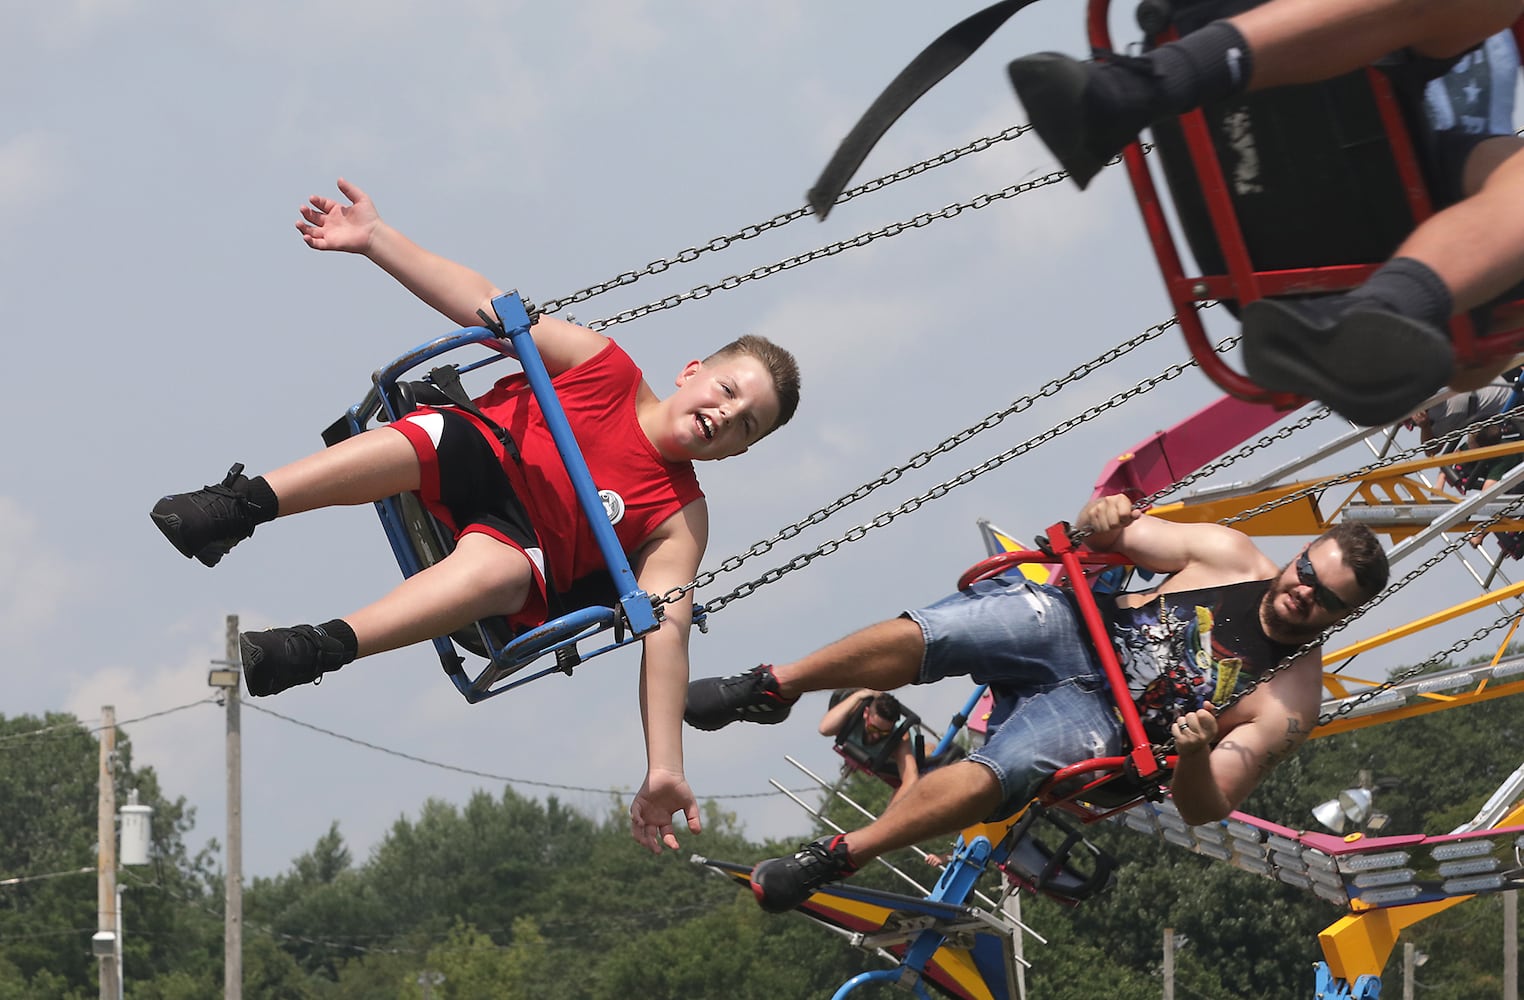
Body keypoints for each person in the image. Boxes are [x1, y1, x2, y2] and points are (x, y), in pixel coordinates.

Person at [150, 179, 801, 855]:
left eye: (744, 424)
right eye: (727, 391)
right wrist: (376, 240)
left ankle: (313, 647)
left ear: (740, 450)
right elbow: (485, 304)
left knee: (503, 570)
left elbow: (666, 628)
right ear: (694, 371)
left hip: (521, 548)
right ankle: (240, 505)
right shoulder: (604, 367)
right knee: (442, 437)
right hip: (479, 454)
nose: (724, 413)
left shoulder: (681, 513)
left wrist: (665, 765)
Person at [684, 494, 1388, 912]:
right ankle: (774, 685)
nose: (1303, 593)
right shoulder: (1230, 554)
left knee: (1004, 772)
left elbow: (1207, 805)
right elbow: (1110, 533)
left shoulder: (1290, 697)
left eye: (1325, 599)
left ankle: (838, 856)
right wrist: (1103, 516)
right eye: (1306, 573)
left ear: (1339, 616)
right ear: (1298, 555)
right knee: (946, 630)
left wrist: (1197, 749)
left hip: (1105, 722)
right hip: (1077, 626)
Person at [1004, 0, 1524, 427]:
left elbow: (1469, 374)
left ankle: (1374, 318)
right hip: (1340, 95)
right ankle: (1138, 87)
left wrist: (1492, 331)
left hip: (1423, 210)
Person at [819, 689, 923, 804]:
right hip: (871, 757)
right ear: (866, 713)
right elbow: (825, 729)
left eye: (883, 733)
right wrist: (859, 695)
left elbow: (911, 780)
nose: (876, 735)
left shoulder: (900, 738)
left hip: (905, 760)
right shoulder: (854, 713)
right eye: (873, 728)